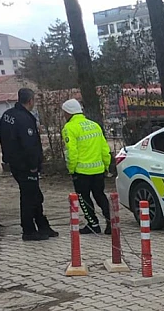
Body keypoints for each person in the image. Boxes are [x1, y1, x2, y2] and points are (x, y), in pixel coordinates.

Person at [0, 89, 58, 241]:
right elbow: (29, 144)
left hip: (15, 163)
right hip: (25, 165)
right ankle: (29, 230)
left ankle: (42, 225)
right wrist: (34, 165)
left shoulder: (8, 115)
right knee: (29, 197)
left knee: (35, 196)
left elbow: (3, 138)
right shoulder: (24, 119)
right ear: (30, 100)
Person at [61, 99, 112, 235]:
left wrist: (71, 169)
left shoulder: (69, 128)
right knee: (100, 195)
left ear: (68, 112)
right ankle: (111, 222)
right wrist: (106, 165)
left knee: (84, 199)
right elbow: (104, 149)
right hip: (98, 169)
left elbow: (71, 152)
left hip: (81, 171)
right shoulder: (94, 125)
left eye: (64, 113)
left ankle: (93, 224)